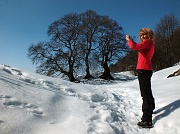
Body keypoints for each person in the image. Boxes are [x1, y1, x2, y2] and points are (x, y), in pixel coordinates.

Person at [126, 28, 155, 128]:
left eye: (145, 34)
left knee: (145, 94)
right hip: (145, 70)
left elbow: (134, 46)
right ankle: (150, 110)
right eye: (141, 35)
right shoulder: (148, 44)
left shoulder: (148, 42)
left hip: (144, 70)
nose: (143, 36)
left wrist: (129, 39)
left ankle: (147, 120)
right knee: (147, 93)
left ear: (149, 35)